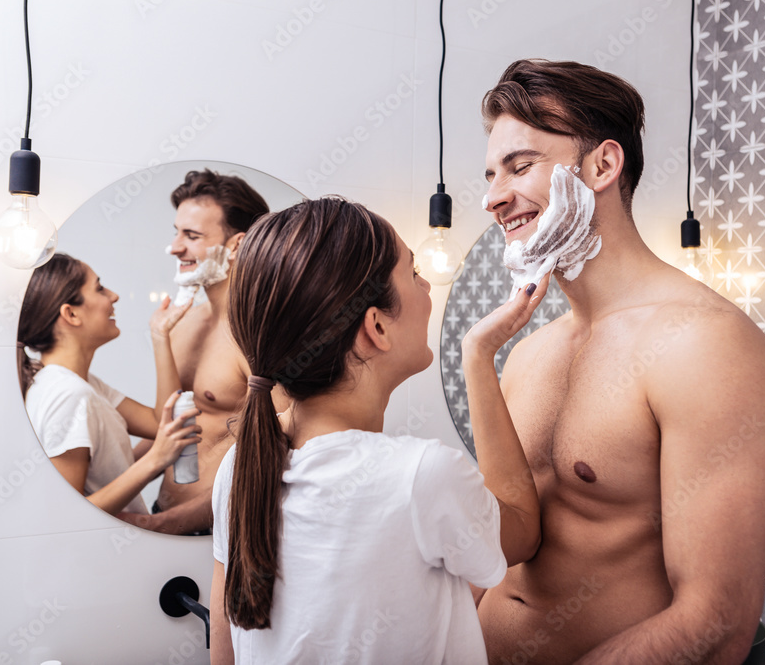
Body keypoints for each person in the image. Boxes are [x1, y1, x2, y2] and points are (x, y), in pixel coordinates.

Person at [473, 59, 765, 664]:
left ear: (602, 166)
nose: (492, 198)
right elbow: (493, 553)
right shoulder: (528, 355)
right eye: (489, 174)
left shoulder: (706, 344)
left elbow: (715, 620)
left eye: (520, 165)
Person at [209, 197, 543, 664]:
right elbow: (523, 531)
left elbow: (225, 645)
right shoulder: (420, 477)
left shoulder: (241, 466)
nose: (428, 286)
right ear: (377, 327)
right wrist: (478, 357)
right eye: (413, 272)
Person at [18, 253, 201, 518]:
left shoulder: (77, 383)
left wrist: (160, 335)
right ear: (71, 314)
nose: (114, 296)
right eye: (100, 288)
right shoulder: (69, 395)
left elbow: (157, 421)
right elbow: (65, 517)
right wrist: (156, 459)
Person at [140, 169, 271, 534]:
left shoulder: (260, 339)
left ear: (237, 245)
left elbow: (269, 461)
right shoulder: (183, 321)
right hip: (160, 513)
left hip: (217, 532)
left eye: (192, 235)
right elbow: (164, 426)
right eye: (176, 231)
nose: (175, 246)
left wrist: (164, 524)